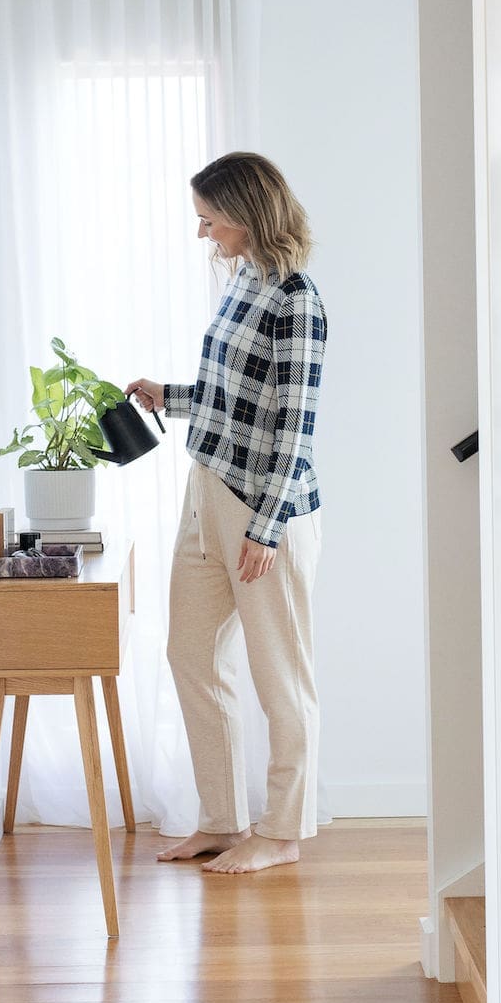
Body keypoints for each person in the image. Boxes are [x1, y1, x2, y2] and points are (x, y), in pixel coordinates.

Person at [127, 151, 327, 874]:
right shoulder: (243, 280)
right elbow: (233, 396)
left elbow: (295, 426)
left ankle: (283, 831)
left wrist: (266, 527)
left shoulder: (297, 300)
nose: (203, 233)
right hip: (205, 489)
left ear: (246, 214)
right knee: (191, 653)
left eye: (209, 220)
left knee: (282, 677)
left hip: (262, 511)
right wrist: (169, 396)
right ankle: (221, 819)